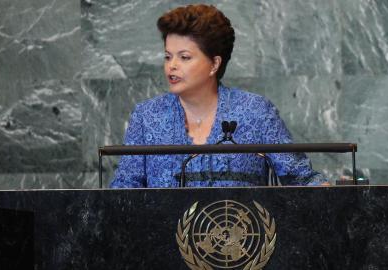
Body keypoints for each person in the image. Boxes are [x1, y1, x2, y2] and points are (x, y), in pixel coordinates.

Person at [110, 4, 327, 188]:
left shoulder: (256, 111)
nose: (171, 66)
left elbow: (301, 179)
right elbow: (124, 191)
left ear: (214, 64)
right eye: (168, 57)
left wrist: (334, 193)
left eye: (184, 57)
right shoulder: (146, 116)